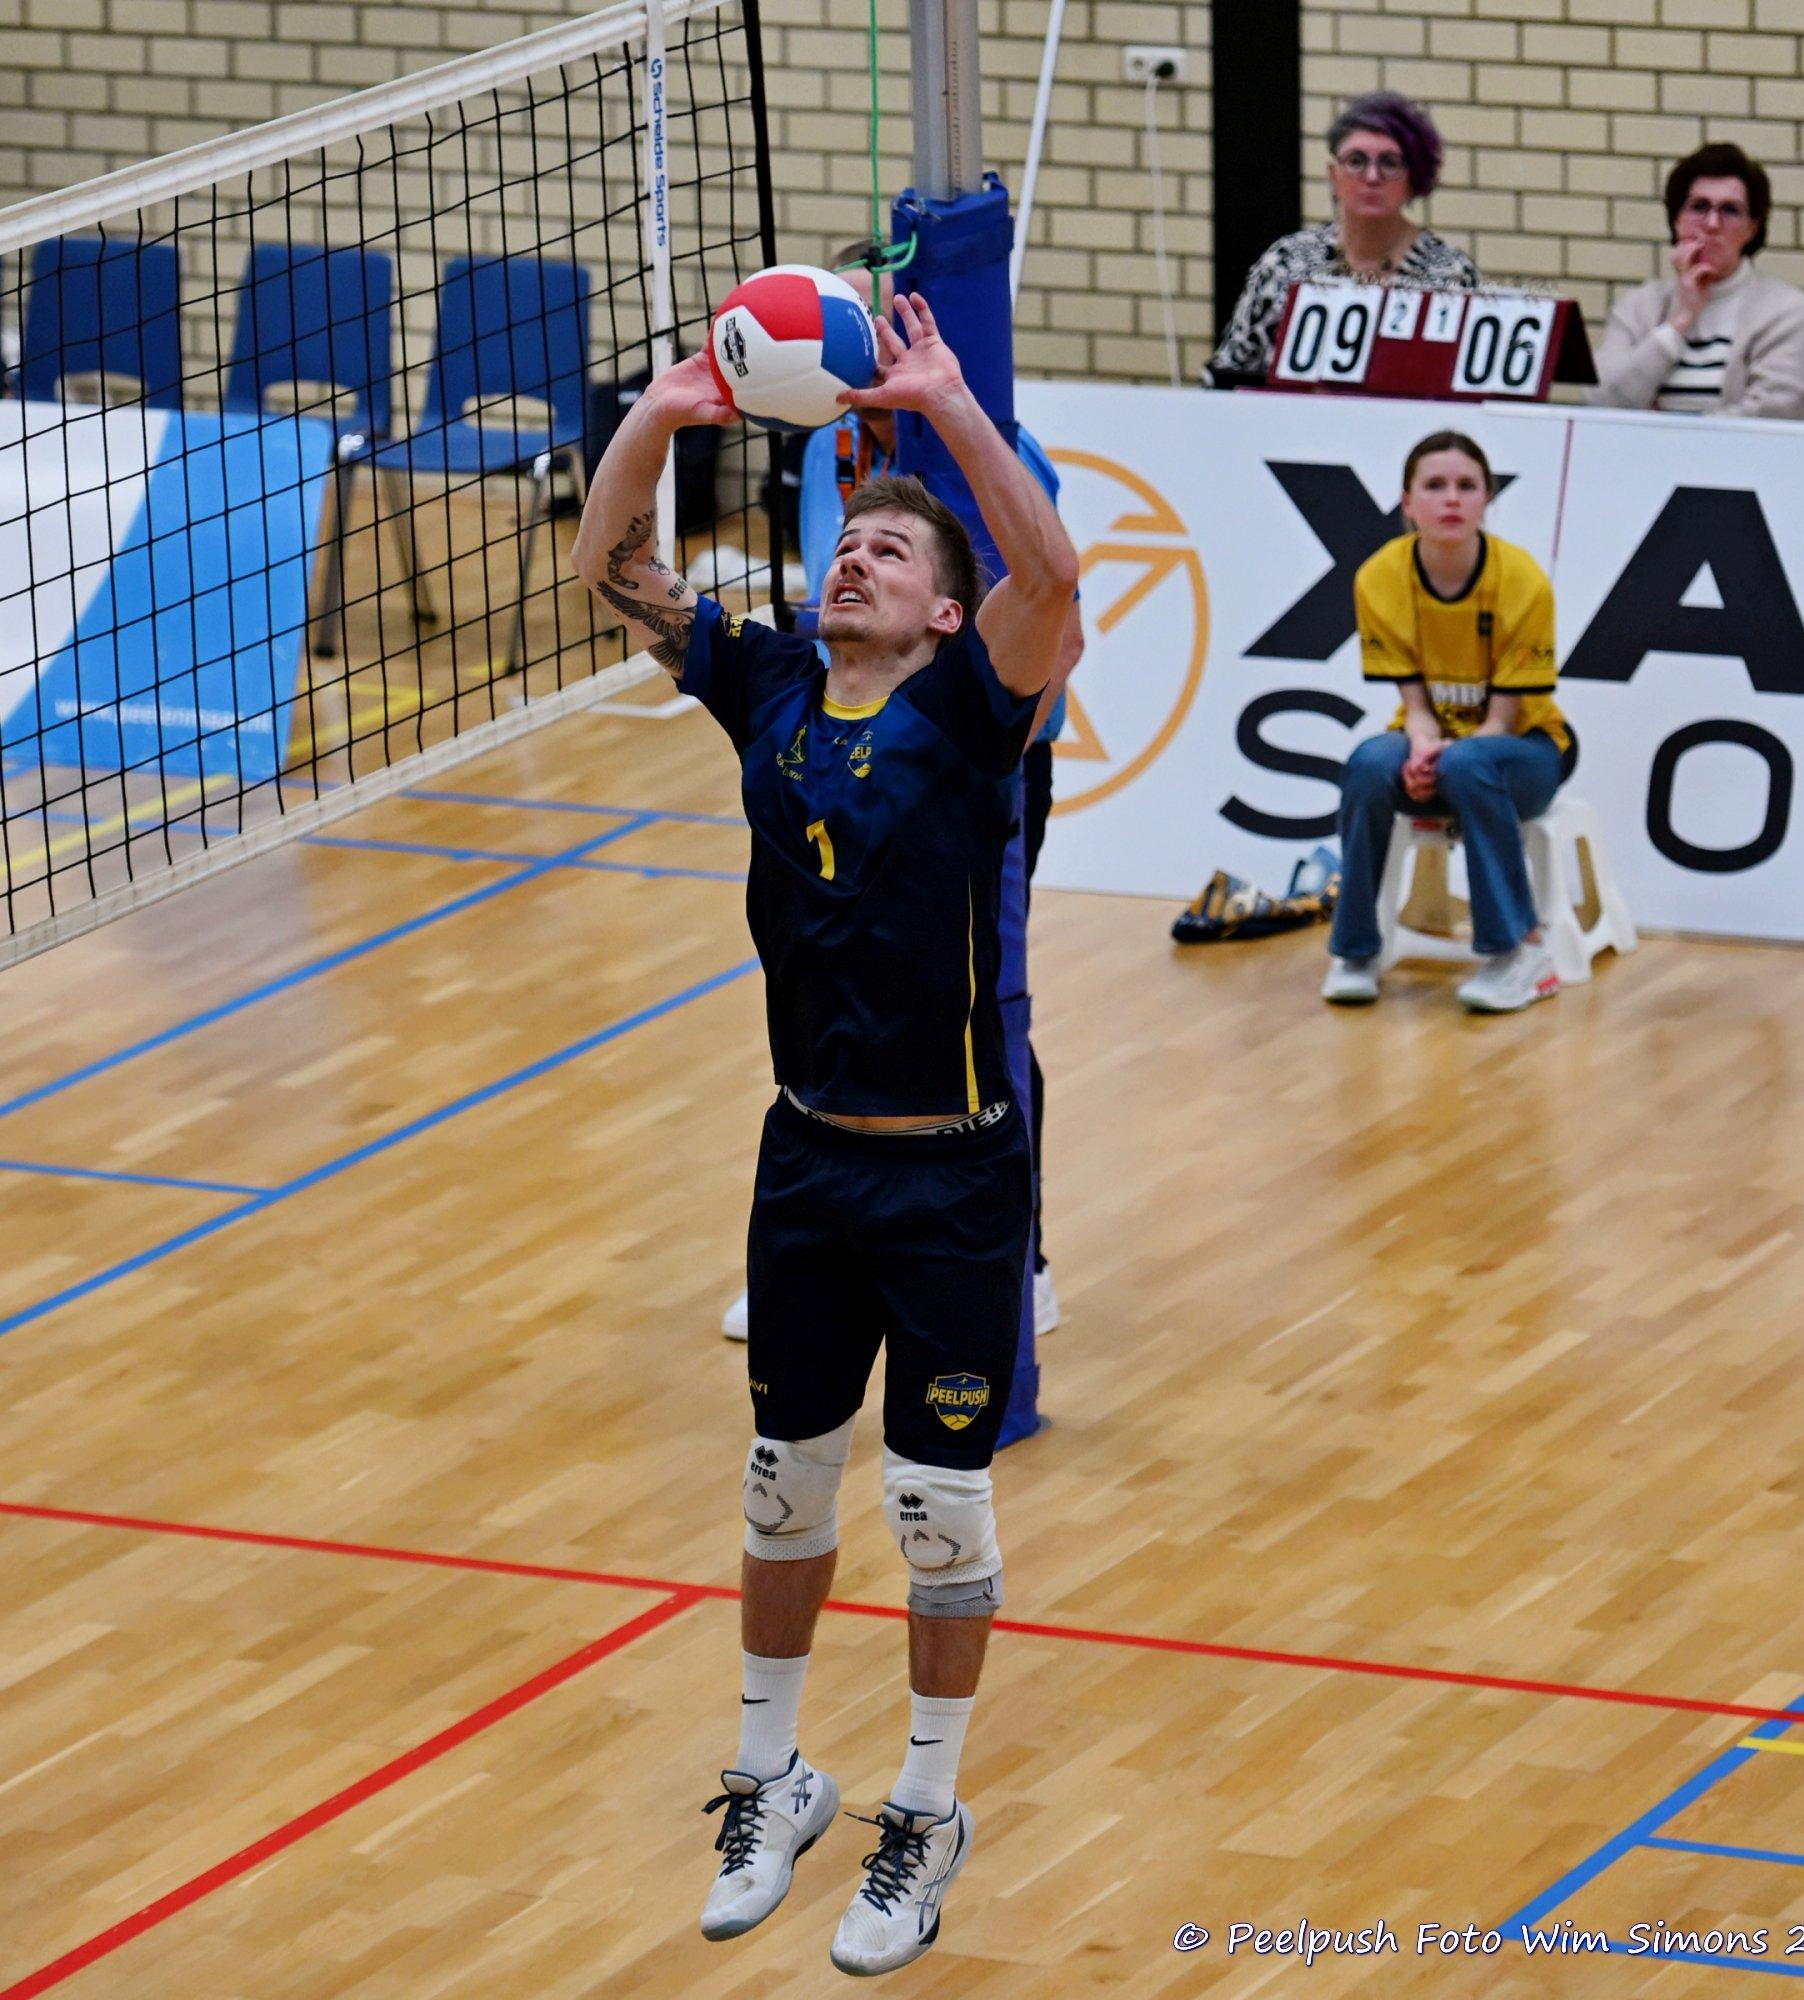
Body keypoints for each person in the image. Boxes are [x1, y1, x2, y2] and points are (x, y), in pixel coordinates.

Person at [573, 294, 1078, 1975]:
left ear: (943, 612)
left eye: (891, 552)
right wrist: (665, 412)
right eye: (846, 541)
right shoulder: (773, 683)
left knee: (938, 1509)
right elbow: (611, 565)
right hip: (805, 1159)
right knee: (783, 1484)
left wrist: (947, 410)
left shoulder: (978, 708)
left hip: (956, 1173)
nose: (854, 558)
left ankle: (925, 1810)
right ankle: (771, 1776)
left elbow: (1055, 578)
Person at [723, 257, 1080, 1345]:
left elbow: (1054, 617)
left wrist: (972, 736)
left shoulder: (997, 445)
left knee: (973, 997)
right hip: (845, 741)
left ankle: (1020, 1250)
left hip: (971, 754)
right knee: (832, 966)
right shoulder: (825, 451)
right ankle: (821, 1244)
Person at [1321, 431, 1575, 1015]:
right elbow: (1416, 708)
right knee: (1368, 765)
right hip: (1440, 746)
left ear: (1487, 499)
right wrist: (1420, 750)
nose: (1452, 499)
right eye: (1435, 486)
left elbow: (1502, 722)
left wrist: (1440, 765)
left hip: (1525, 750)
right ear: (1408, 502)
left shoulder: (1522, 580)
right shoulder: (1379, 577)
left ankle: (1520, 953)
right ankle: (1355, 952)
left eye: (1467, 486)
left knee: (1468, 762)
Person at [1206, 91, 1479, 387]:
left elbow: (1470, 386)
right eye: (1356, 160)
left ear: (1415, 177)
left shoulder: (1450, 273)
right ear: (1333, 175)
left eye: (1390, 163)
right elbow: (1228, 375)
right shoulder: (1286, 263)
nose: (1372, 176)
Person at [1591, 141, 1804, 420]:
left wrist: (1668, 429)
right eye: (1699, 207)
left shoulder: (1787, 311)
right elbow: (1601, 400)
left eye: (1730, 210)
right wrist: (1679, 323)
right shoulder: (1638, 306)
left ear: (1752, 228)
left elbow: (1781, 410)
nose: (1712, 224)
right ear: (1676, 219)